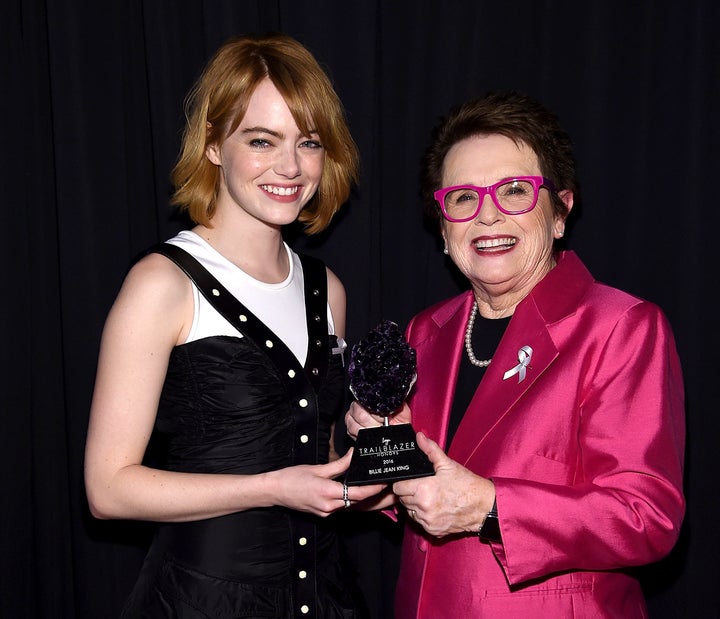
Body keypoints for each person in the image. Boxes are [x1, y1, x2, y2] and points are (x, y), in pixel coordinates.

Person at [346, 91, 685, 618]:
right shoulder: (423, 331)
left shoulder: (621, 326)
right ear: (442, 225)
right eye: (462, 198)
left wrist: (487, 506)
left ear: (560, 211)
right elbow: (410, 490)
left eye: (514, 191)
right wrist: (373, 449)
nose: (487, 216)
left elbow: (647, 517)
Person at [84, 33, 382, 618]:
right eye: (261, 140)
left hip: (325, 598)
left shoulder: (328, 291)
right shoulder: (162, 284)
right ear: (215, 144)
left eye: (309, 142)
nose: (291, 167)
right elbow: (108, 490)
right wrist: (270, 487)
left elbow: (315, 459)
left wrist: (364, 458)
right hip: (201, 601)